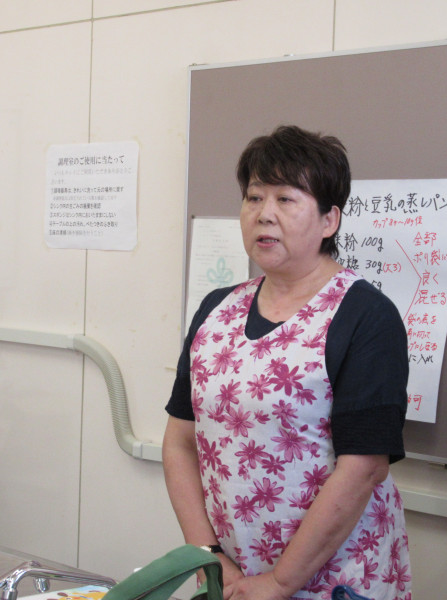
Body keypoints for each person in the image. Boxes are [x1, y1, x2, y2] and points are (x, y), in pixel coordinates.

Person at [163, 125, 411, 600]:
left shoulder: (365, 316)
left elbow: (363, 468)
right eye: (254, 198)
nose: (264, 214)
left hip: (335, 578)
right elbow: (179, 442)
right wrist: (207, 555)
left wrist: (279, 582)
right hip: (230, 575)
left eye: (286, 199)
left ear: (329, 220)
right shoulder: (216, 308)